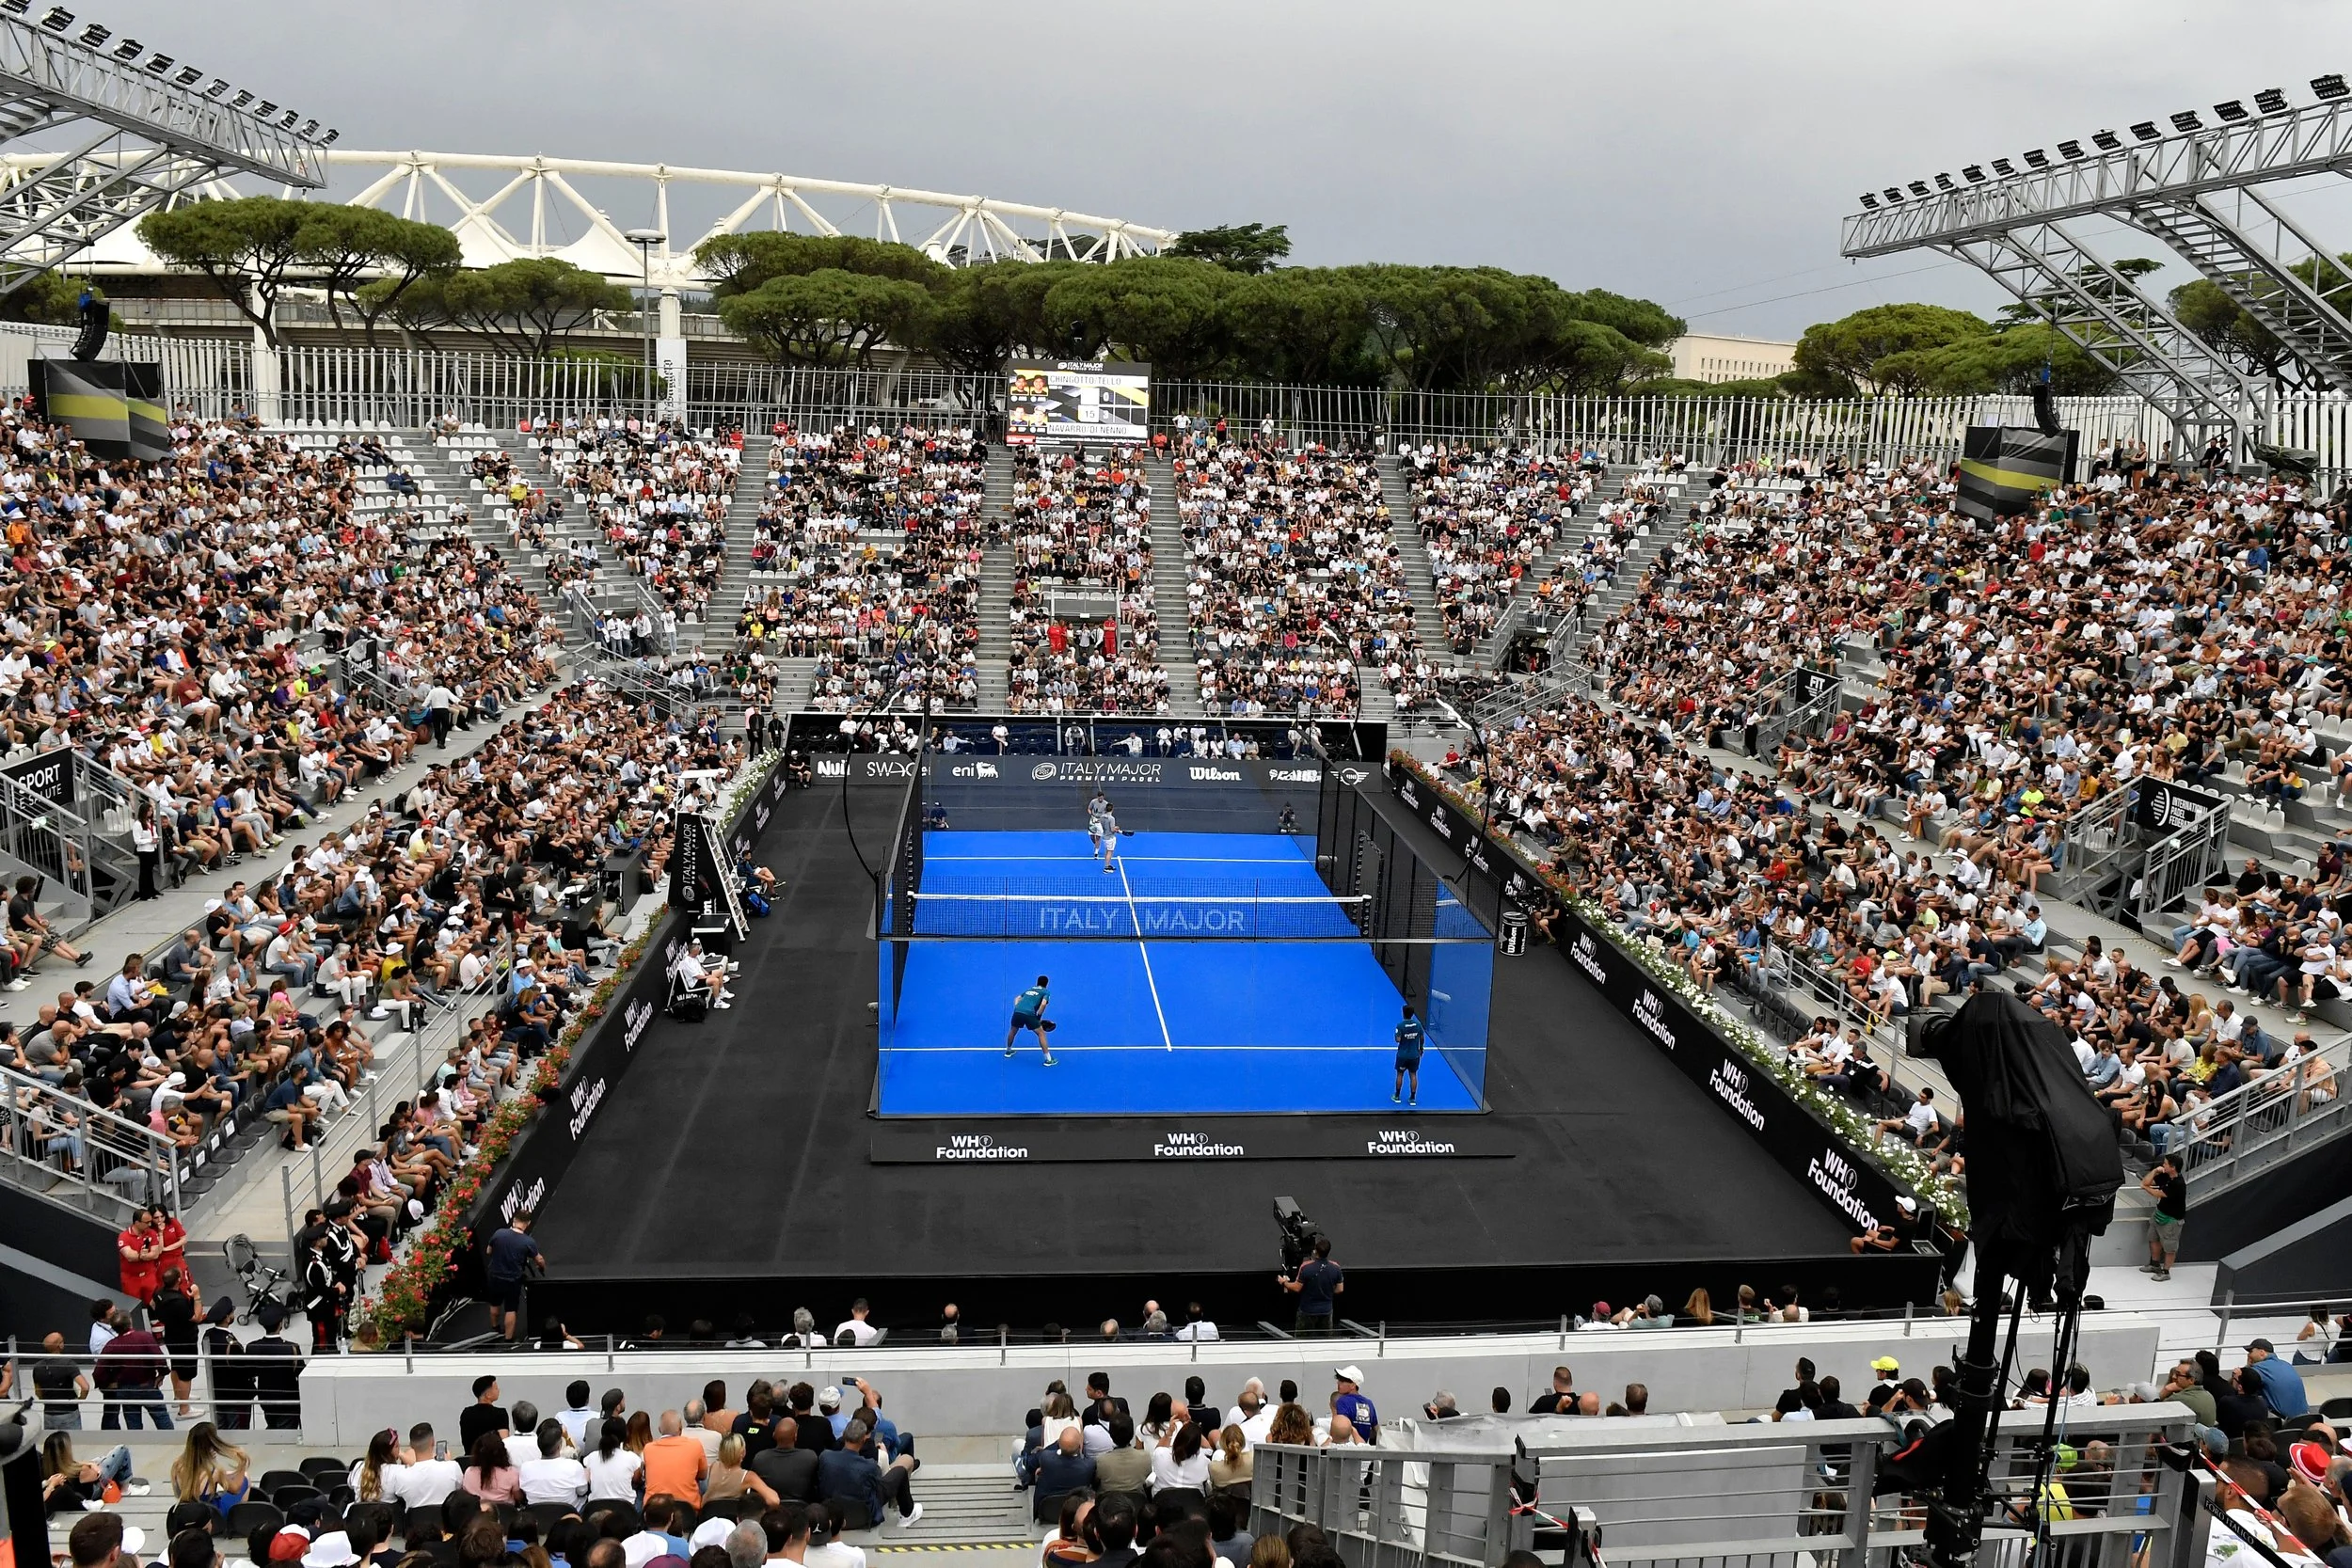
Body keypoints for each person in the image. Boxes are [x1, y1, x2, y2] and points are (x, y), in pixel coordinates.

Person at [815, 1418, 921, 1529]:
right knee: (900, 1471)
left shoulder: (825, 1457)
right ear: (863, 1441)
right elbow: (878, 1486)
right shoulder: (869, 1466)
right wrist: (884, 1456)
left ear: (843, 1436)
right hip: (864, 1518)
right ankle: (908, 1514)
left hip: (832, 1515)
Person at [169, 1423, 250, 1519]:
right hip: (211, 1515)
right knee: (246, 1478)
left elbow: (178, 1494)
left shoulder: (177, 1464)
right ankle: (238, 1519)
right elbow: (236, 1489)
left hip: (188, 1513)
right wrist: (242, 1464)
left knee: (229, 1476)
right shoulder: (215, 1471)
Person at [484, 1213, 544, 1341]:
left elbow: (488, 1251)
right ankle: (508, 1339)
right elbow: (539, 1259)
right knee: (511, 1308)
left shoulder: (499, 1233)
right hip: (513, 1279)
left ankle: (495, 1328)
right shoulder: (528, 1241)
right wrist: (541, 1266)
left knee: (495, 1303)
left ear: (514, 1220)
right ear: (527, 1224)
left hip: (494, 1275)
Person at [1279, 1235, 1343, 1335]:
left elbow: (1296, 1288)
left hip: (1307, 1311)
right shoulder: (1336, 1267)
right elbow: (1339, 1289)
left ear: (1315, 1251)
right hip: (1326, 1311)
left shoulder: (1306, 1267)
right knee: (1325, 1342)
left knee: (1302, 1342)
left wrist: (1284, 1282)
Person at [2141, 1154, 2185, 1282]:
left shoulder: (2178, 1184)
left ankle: (2165, 1271)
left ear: (2172, 1167)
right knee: (2153, 1239)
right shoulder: (2166, 1176)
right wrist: (2155, 1171)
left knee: (2169, 1246)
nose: (2163, 1165)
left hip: (2171, 1219)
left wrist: (2145, 1188)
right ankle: (2154, 1264)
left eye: (2165, 1164)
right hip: (2159, 1213)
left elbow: (2159, 1193)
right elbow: (2147, 1182)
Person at [1006, 974, 1056, 1066]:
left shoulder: (1030, 989)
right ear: (1047, 984)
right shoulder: (1045, 992)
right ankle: (1048, 1060)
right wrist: (1039, 1017)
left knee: (1013, 1030)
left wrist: (1018, 1007)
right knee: (1041, 1034)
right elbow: (1043, 1004)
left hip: (1018, 1011)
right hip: (1029, 1013)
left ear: (1037, 983)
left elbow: (1017, 998)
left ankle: (1008, 1051)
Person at [1331, 1369, 1377, 1443]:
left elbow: (1340, 1427)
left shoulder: (1342, 1401)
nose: (1338, 1383)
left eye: (1342, 1381)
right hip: (1364, 1447)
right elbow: (1376, 1429)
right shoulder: (1369, 1403)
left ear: (1353, 1385)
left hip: (1348, 1447)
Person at [1391, 1006, 1424, 1105]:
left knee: (1400, 1074)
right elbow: (1422, 1038)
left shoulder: (1400, 1025)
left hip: (1403, 1055)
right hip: (1414, 1055)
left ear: (1403, 1013)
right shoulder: (1418, 1024)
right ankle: (1413, 1098)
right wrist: (1421, 1048)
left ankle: (1397, 1096)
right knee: (1413, 1075)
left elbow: (1398, 1040)